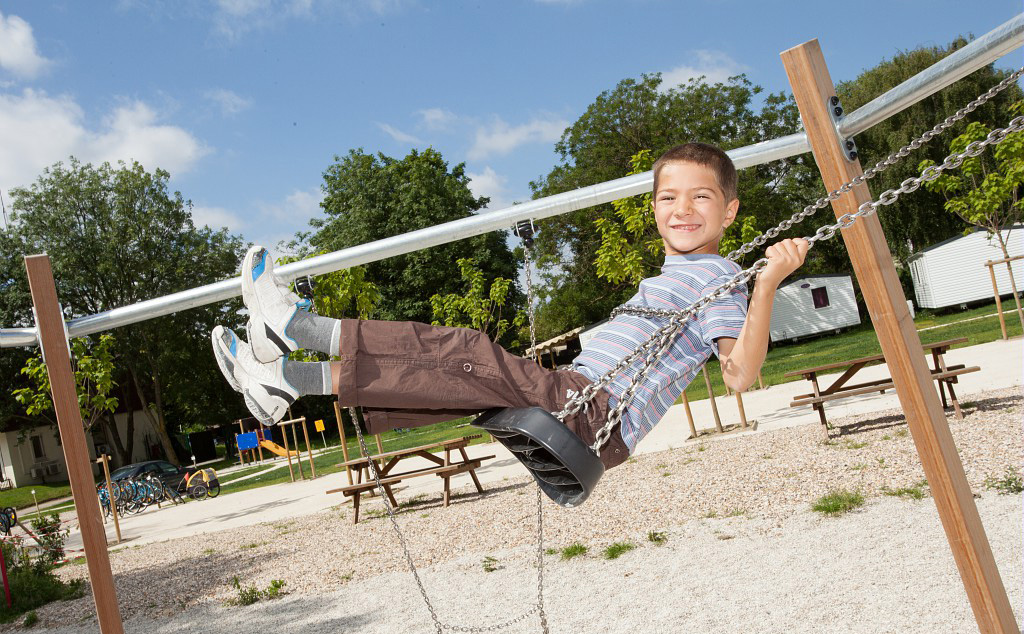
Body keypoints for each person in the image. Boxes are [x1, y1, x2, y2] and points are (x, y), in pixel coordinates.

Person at [212, 142, 807, 471]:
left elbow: (740, 375)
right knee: (442, 376)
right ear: (653, 207)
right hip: (576, 395)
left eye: (701, 197)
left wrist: (769, 282)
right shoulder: (684, 271)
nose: (682, 210)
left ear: (728, 211)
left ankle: (295, 325)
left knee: (462, 350)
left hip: (593, 415)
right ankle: (285, 379)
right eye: (668, 197)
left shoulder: (724, 279)